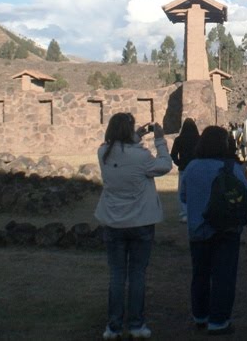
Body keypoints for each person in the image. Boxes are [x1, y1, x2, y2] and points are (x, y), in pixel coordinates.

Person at [94, 113, 173, 340]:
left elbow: (120, 148)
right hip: (140, 221)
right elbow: (165, 165)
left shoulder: (103, 153)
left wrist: (137, 135)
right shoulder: (142, 157)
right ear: (128, 131)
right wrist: (159, 140)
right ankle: (136, 324)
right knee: (137, 274)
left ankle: (114, 326)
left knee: (117, 275)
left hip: (113, 221)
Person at [179, 125, 247, 335]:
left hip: (198, 229)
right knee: (224, 276)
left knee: (200, 274)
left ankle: (200, 316)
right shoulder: (231, 167)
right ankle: (219, 320)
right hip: (226, 228)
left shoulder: (192, 167)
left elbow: (183, 196)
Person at [170, 118, 200, 222]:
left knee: (183, 191)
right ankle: (196, 211)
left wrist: (179, 163)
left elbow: (173, 154)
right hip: (196, 168)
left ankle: (185, 213)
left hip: (184, 168)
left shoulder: (179, 139)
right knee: (197, 189)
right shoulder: (199, 139)